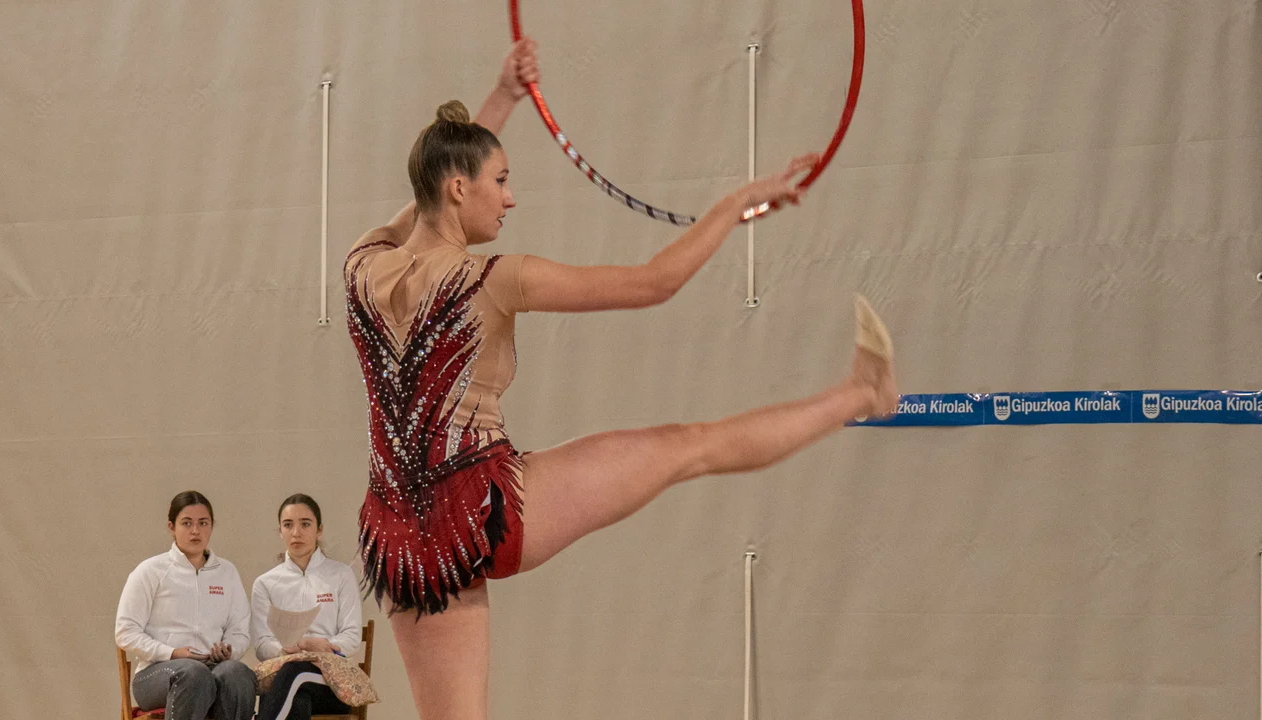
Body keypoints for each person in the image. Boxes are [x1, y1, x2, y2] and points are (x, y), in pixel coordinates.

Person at [343, 38, 899, 720]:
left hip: (402, 538)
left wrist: (506, 96)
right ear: (461, 187)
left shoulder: (363, 264)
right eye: (501, 180)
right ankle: (862, 392)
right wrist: (735, 205)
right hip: (484, 506)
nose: (510, 198)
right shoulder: (495, 279)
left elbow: (425, 197)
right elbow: (653, 283)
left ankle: (861, 392)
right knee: (689, 446)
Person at [114, 491, 255, 720]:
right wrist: (172, 653)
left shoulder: (227, 572)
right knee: (194, 674)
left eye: (203, 523)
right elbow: (125, 632)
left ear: (212, 526)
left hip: (213, 667)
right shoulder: (151, 571)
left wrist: (229, 650)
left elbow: (239, 630)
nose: (195, 530)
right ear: (172, 527)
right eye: (187, 523)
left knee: (237, 673)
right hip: (158, 672)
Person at [252, 494, 363, 720]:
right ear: (280, 531)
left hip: (332, 682)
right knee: (297, 702)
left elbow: (352, 635)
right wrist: (286, 650)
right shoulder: (265, 583)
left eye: (305, 524)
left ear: (319, 530)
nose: (296, 532)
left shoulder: (341, 575)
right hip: (286, 674)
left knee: (294, 672)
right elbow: (262, 644)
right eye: (288, 525)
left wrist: (324, 647)